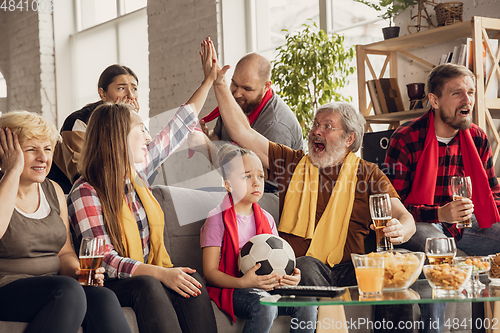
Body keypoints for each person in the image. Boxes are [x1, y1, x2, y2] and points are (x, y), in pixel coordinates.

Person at [200, 39, 416, 330]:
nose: (316, 131)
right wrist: (219, 85)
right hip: (304, 269)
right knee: (309, 264)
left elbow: (405, 218)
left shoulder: (369, 174)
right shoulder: (293, 163)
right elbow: (243, 132)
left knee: (392, 271)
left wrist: (400, 229)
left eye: (327, 126)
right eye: (315, 124)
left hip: (352, 266)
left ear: (349, 138)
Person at [68, 51, 218, 333]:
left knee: (191, 278)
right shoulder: (86, 191)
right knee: (149, 284)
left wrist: (208, 81)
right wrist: (161, 273)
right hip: (114, 282)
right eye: (142, 130)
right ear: (118, 137)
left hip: (148, 272)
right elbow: (105, 260)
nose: (149, 138)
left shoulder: (136, 174)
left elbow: (178, 126)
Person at [0, 111, 131, 333]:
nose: (43, 157)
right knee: (66, 290)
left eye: (48, 149)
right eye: (31, 149)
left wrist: (80, 273)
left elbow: (64, 253)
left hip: (54, 285)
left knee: (102, 296)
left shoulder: (54, 191)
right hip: (6, 288)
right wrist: (12, 170)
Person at [385, 63, 500, 255]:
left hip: (467, 224)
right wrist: (440, 213)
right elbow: (394, 206)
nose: (467, 100)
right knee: (444, 251)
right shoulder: (406, 138)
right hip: (422, 223)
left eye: (470, 93)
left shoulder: (478, 137)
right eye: (457, 93)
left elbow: (493, 193)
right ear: (434, 101)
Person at [200, 144, 317, 333]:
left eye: (260, 176)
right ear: (228, 184)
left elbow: (278, 262)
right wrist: (242, 283)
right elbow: (210, 272)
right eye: (247, 176)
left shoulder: (267, 218)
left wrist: (289, 278)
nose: (256, 182)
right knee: (265, 304)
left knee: (307, 301)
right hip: (232, 288)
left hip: (266, 287)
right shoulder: (217, 218)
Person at [199, 43, 303, 192]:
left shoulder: (276, 125)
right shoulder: (237, 104)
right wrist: (206, 136)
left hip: (272, 195)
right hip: (241, 187)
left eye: (247, 88)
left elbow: (251, 176)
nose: (236, 94)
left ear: (266, 86)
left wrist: (205, 147)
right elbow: (219, 138)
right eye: (234, 84)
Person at [49, 64, 140, 193]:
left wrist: (132, 122)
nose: (130, 95)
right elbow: (84, 173)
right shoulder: (78, 121)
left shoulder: (133, 121)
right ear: (102, 93)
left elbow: (143, 162)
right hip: (72, 195)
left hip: (116, 191)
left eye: (135, 89)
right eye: (121, 88)